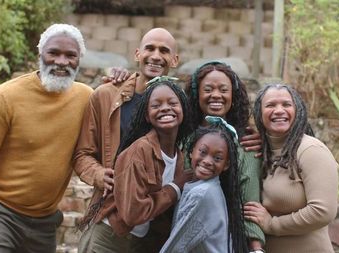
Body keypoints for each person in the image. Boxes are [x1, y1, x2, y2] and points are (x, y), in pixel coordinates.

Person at [0, 23, 93, 253]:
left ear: (79, 59)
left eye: (70, 55)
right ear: (40, 54)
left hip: (44, 224)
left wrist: (121, 80)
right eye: (53, 53)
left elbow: (115, 109)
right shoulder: (6, 97)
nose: (61, 61)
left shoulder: (86, 98)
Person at [73, 28, 179, 231]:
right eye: (150, 48)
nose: (156, 56)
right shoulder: (105, 96)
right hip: (109, 218)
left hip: (157, 224)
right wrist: (99, 174)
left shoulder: (179, 107)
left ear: (174, 60)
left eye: (164, 51)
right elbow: (82, 154)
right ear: (137, 54)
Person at [78, 78, 192, 252]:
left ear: (183, 108)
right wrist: (175, 188)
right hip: (109, 238)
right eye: (156, 105)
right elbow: (133, 213)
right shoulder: (139, 151)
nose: (165, 108)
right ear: (147, 116)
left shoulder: (179, 155)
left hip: (136, 241)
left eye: (172, 103)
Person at [244, 83, 339, 253]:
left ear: (298, 111)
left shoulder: (311, 151)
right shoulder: (261, 151)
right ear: (259, 113)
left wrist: (272, 224)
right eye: (271, 105)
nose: (279, 110)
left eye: (286, 104)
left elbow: (323, 211)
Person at [186, 61, 265, 252]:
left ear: (233, 96)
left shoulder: (245, 144)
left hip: (225, 241)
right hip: (184, 232)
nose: (216, 95)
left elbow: (249, 202)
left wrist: (256, 248)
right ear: (197, 95)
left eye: (223, 89)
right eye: (208, 89)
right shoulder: (183, 138)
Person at [160, 118, 249, 253]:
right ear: (191, 151)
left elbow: (176, 247)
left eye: (217, 158)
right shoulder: (204, 186)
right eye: (203, 152)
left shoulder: (202, 193)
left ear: (226, 165)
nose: (208, 161)